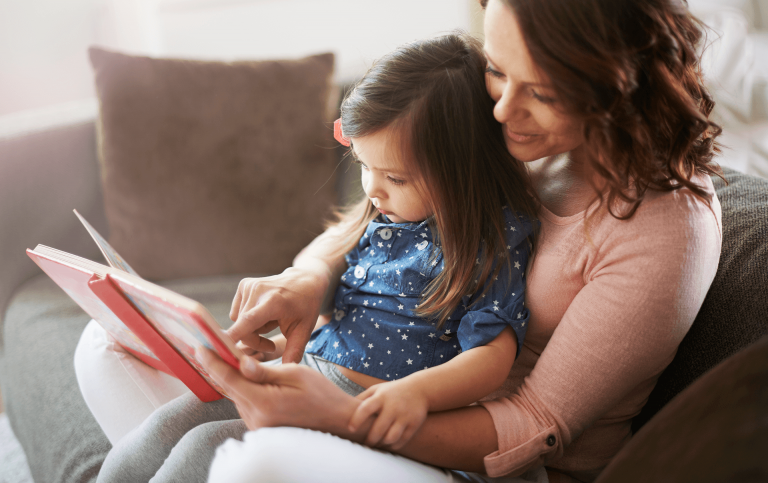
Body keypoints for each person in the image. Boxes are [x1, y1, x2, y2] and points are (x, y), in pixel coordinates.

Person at [75, 0, 724, 481]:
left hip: (470, 455)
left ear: (619, 83)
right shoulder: (517, 132)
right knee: (106, 348)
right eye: (498, 70)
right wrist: (309, 278)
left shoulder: (665, 227)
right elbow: (378, 218)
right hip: (354, 381)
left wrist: (341, 416)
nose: (502, 111)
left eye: (544, 93)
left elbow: (532, 423)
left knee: (243, 461)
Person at [80, 32, 541, 482]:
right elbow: (347, 324)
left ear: (465, 170)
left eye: (396, 178)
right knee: (170, 425)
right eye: (364, 166)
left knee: (206, 448)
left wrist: (414, 394)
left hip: (364, 404)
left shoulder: (492, 243)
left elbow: (490, 358)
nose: (372, 189)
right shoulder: (384, 219)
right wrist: (271, 350)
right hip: (307, 371)